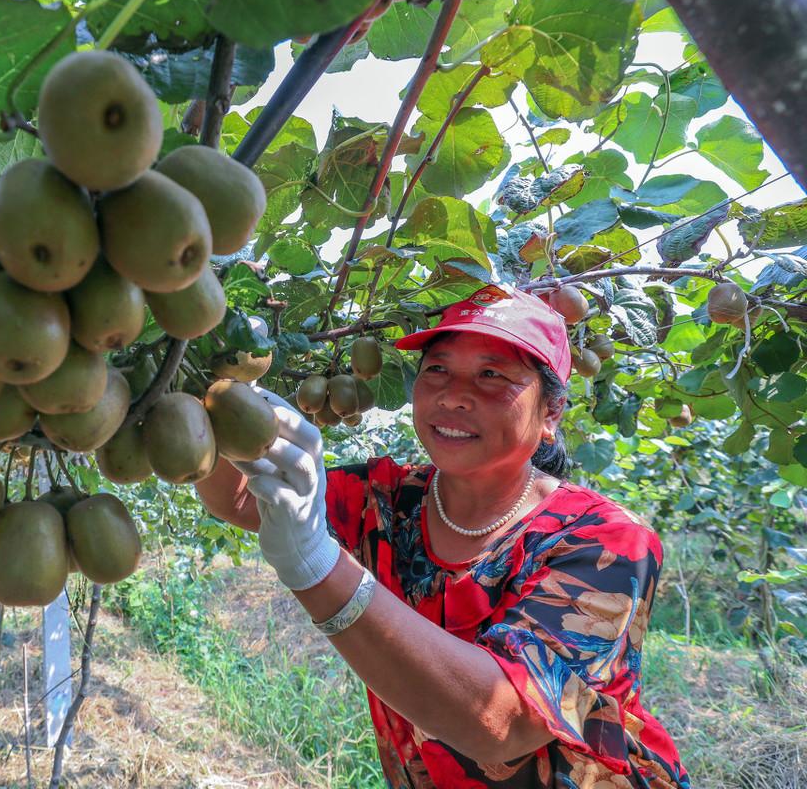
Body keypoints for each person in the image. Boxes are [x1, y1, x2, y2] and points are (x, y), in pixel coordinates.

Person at [196, 285, 691, 787]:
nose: (453, 394)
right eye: (437, 369)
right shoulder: (388, 496)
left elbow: (502, 721)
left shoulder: (607, 540)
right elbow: (243, 499)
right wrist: (209, 398)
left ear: (551, 412)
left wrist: (318, 565)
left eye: (492, 375)